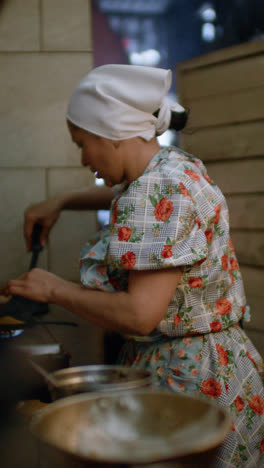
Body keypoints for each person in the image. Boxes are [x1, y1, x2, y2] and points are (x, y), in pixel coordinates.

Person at [1, 64, 264, 467]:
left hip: (187, 380)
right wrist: (63, 200)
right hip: (222, 366)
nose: (84, 158)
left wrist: (54, 289)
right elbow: (129, 198)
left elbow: (140, 315)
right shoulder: (175, 166)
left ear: (112, 134)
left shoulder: (154, 190)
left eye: (82, 144)